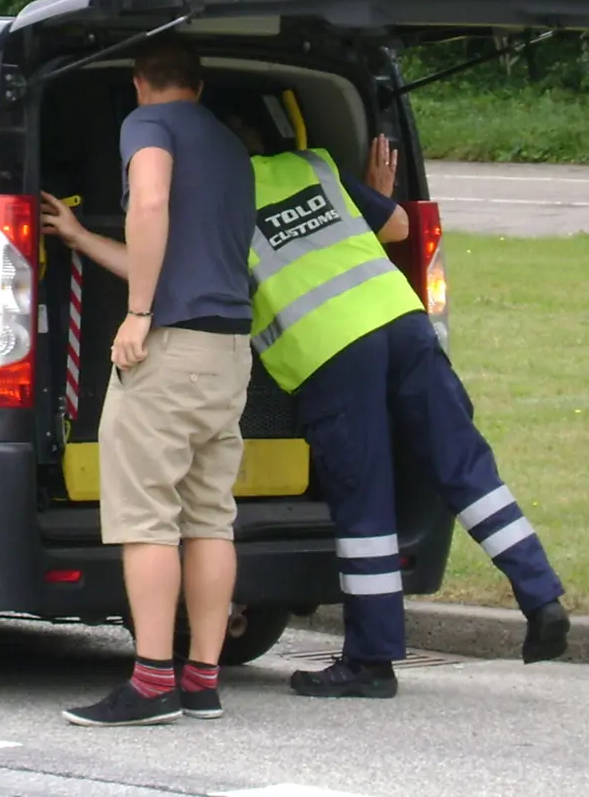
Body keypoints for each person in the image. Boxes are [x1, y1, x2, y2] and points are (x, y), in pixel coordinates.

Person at [227, 115, 570, 699]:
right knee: (467, 467)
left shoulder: (220, 200)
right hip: (404, 325)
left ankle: (371, 661)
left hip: (333, 352)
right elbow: (399, 226)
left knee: (365, 507)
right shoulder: (314, 166)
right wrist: (370, 201)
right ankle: (541, 596)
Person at [43, 37, 255, 727]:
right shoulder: (228, 145)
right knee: (209, 518)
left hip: (167, 353)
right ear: (198, 83)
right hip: (226, 353)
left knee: (147, 520)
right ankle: (202, 680)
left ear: (140, 83)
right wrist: (78, 237)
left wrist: (137, 315)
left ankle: (151, 681)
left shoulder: (147, 126)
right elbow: (160, 250)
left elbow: (153, 200)